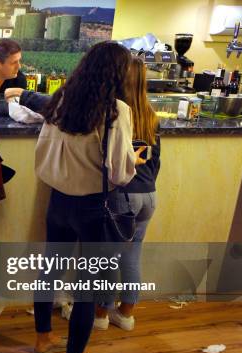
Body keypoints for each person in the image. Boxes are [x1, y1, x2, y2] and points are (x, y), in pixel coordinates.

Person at [30, 41, 145, 353]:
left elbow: (43, 152)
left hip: (59, 202)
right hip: (96, 207)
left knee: (50, 271)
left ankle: (43, 339)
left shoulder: (62, 100)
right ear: (118, 73)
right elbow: (120, 172)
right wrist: (134, 163)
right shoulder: (116, 111)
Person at [93, 57, 161, 331]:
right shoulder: (151, 115)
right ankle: (127, 314)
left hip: (124, 196)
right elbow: (155, 162)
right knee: (132, 256)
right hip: (149, 195)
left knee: (109, 258)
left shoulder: (116, 114)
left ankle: (100, 316)